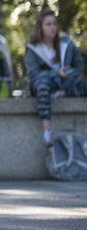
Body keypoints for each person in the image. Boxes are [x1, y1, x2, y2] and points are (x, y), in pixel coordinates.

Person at [25, 9, 87, 146]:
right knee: (43, 85)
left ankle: (62, 93)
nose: (52, 27)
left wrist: (68, 74)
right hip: (44, 84)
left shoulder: (67, 44)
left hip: (66, 83)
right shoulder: (33, 49)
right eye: (48, 24)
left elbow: (80, 65)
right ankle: (47, 130)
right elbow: (34, 74)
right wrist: (56, 73)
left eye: (54, 24)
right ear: (40, 27)